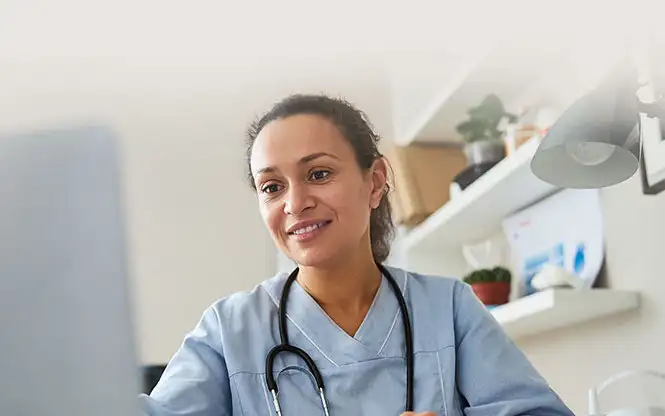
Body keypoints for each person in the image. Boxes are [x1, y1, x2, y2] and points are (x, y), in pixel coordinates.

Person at [139, 94, 574, 416]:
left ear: (376, 180)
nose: (295, 202)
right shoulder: (229, 330)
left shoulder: (448, 309)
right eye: (272, 187)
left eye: (319, 173)